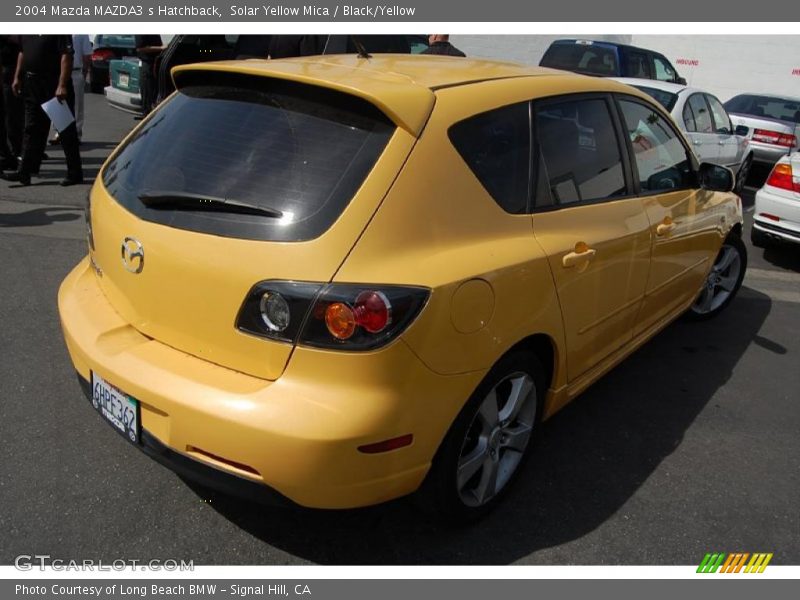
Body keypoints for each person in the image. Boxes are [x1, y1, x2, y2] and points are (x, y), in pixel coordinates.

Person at [1, 35, 83, 186]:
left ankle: (75, 173)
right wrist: (17, 77)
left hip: (53, 84)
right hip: (32, 84)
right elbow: (22, 52)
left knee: (65, 130)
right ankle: (24, 172)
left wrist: (62, 84)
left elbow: (66, 55)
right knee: (30, 128)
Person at [50, 34, 91, 145]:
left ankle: (76, 133)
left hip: (75, 71)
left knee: (77, 105)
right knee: (58, 103)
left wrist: (85, 71)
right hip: (59, 72)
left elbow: (87, 54)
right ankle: (59, 132)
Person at [0, 35, 22, 169]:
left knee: (12, 114)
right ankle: (10, 153)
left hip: (10, 72)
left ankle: (15, 151)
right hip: (6, 71)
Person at [134, 34, 163, 115]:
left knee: (154, 97)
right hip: (147, 66)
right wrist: (161, 48)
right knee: (148, 101)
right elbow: (140, 48)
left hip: (156, 64)